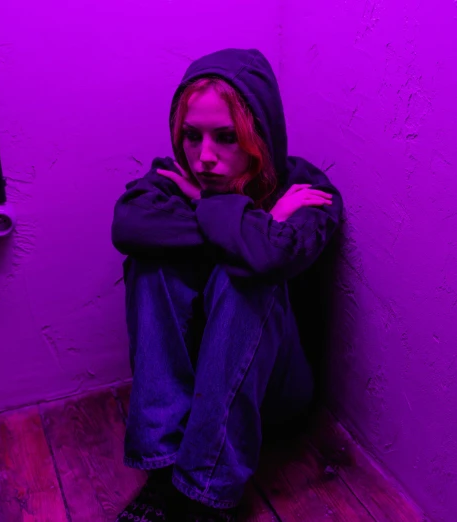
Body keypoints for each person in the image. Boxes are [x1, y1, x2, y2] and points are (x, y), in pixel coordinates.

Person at [111, 48, 343, 521]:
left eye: (226, 138)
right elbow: (128, 227)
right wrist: (241, 217)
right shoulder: (172, 180)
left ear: (257, 135)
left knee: (246, 279)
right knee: (152, 264)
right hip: (192, 387)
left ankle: (202, 495)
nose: (204, 158)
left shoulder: (304, 191)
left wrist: (212, 209)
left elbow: (271, 256)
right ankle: (164, 470)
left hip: (273, 394)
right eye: (191, 137)